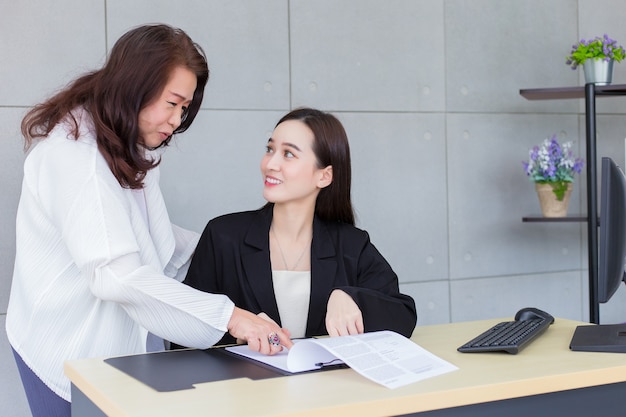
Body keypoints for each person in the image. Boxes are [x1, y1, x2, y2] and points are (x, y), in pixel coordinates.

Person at [5, 24, 291, 417]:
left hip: (108, 350)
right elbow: (117, 273)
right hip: (65, 347)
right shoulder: (77, 159)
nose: (177, 119)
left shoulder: (124, 141)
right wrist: (232, 318)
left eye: (184, 108)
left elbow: (150, 239)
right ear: (135, 86)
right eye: (172, 103)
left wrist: (240, 250)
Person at [182, 107, 417, 347]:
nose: (271, 163)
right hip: (246, 383)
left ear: (324, 176)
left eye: (288, 154)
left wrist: (351, 297)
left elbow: (404, 315)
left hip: (328, 384)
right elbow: (182, 330)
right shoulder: (222, 236)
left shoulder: (351, 244)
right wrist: (237, 331)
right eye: (270, 149)